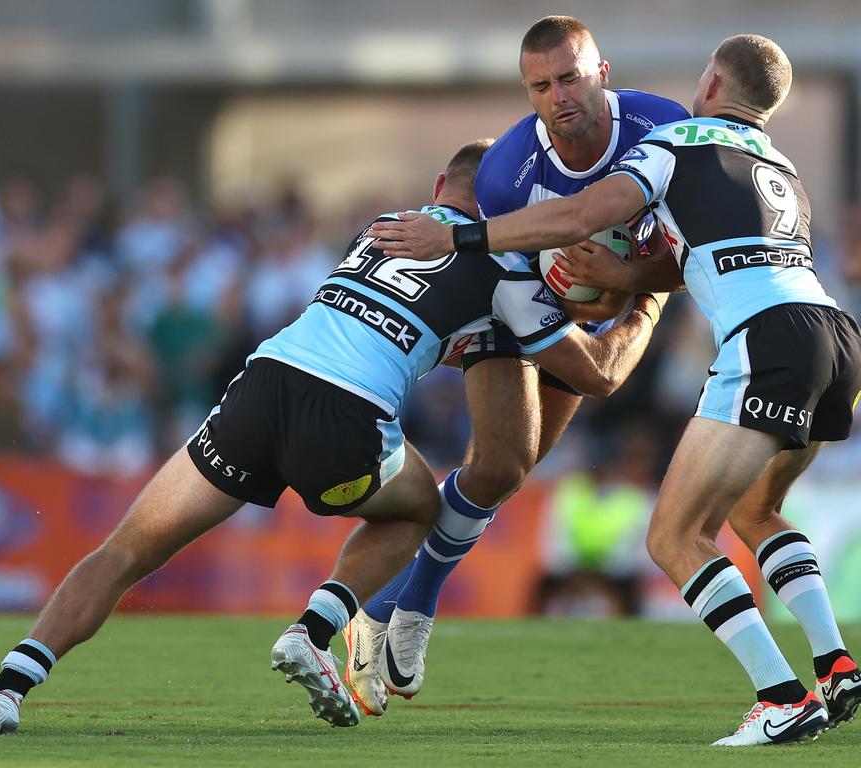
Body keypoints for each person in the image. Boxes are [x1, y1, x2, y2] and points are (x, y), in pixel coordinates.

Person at [0, 140, 666, 734]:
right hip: (341, 416)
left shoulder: (379, 230)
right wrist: (637, 299)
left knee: (126, 550)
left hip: (260, 385)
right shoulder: (504, 267)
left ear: (439, 185)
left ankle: (6, 690)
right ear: (502, 205)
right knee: (417, 509)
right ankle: (317, 626)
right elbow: (593, 374)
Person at [369, 35, 861, 746]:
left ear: (713, 84)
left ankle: (780, 698)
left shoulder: (674, 136)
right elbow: (699, 256)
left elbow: (576, 218)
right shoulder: (776, 161)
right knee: (759, 513)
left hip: (766, 340)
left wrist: (464, 239)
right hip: (836, 338)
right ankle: (838, 662)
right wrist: (626, 278)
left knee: (672, 537)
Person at [343, 14, 688, 716]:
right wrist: (584, 292)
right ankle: (400, 609)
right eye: (540, 86)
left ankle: (395, 605)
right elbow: (514, 275)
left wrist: (628, 280)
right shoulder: (508, 171)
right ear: (528, 93)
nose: (558, 96)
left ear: (601, 73)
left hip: (619, 294)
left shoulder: (662, 125)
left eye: (568, 77)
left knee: (510, 471)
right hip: (519, 303)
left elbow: (692, 253)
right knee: (500, 461)